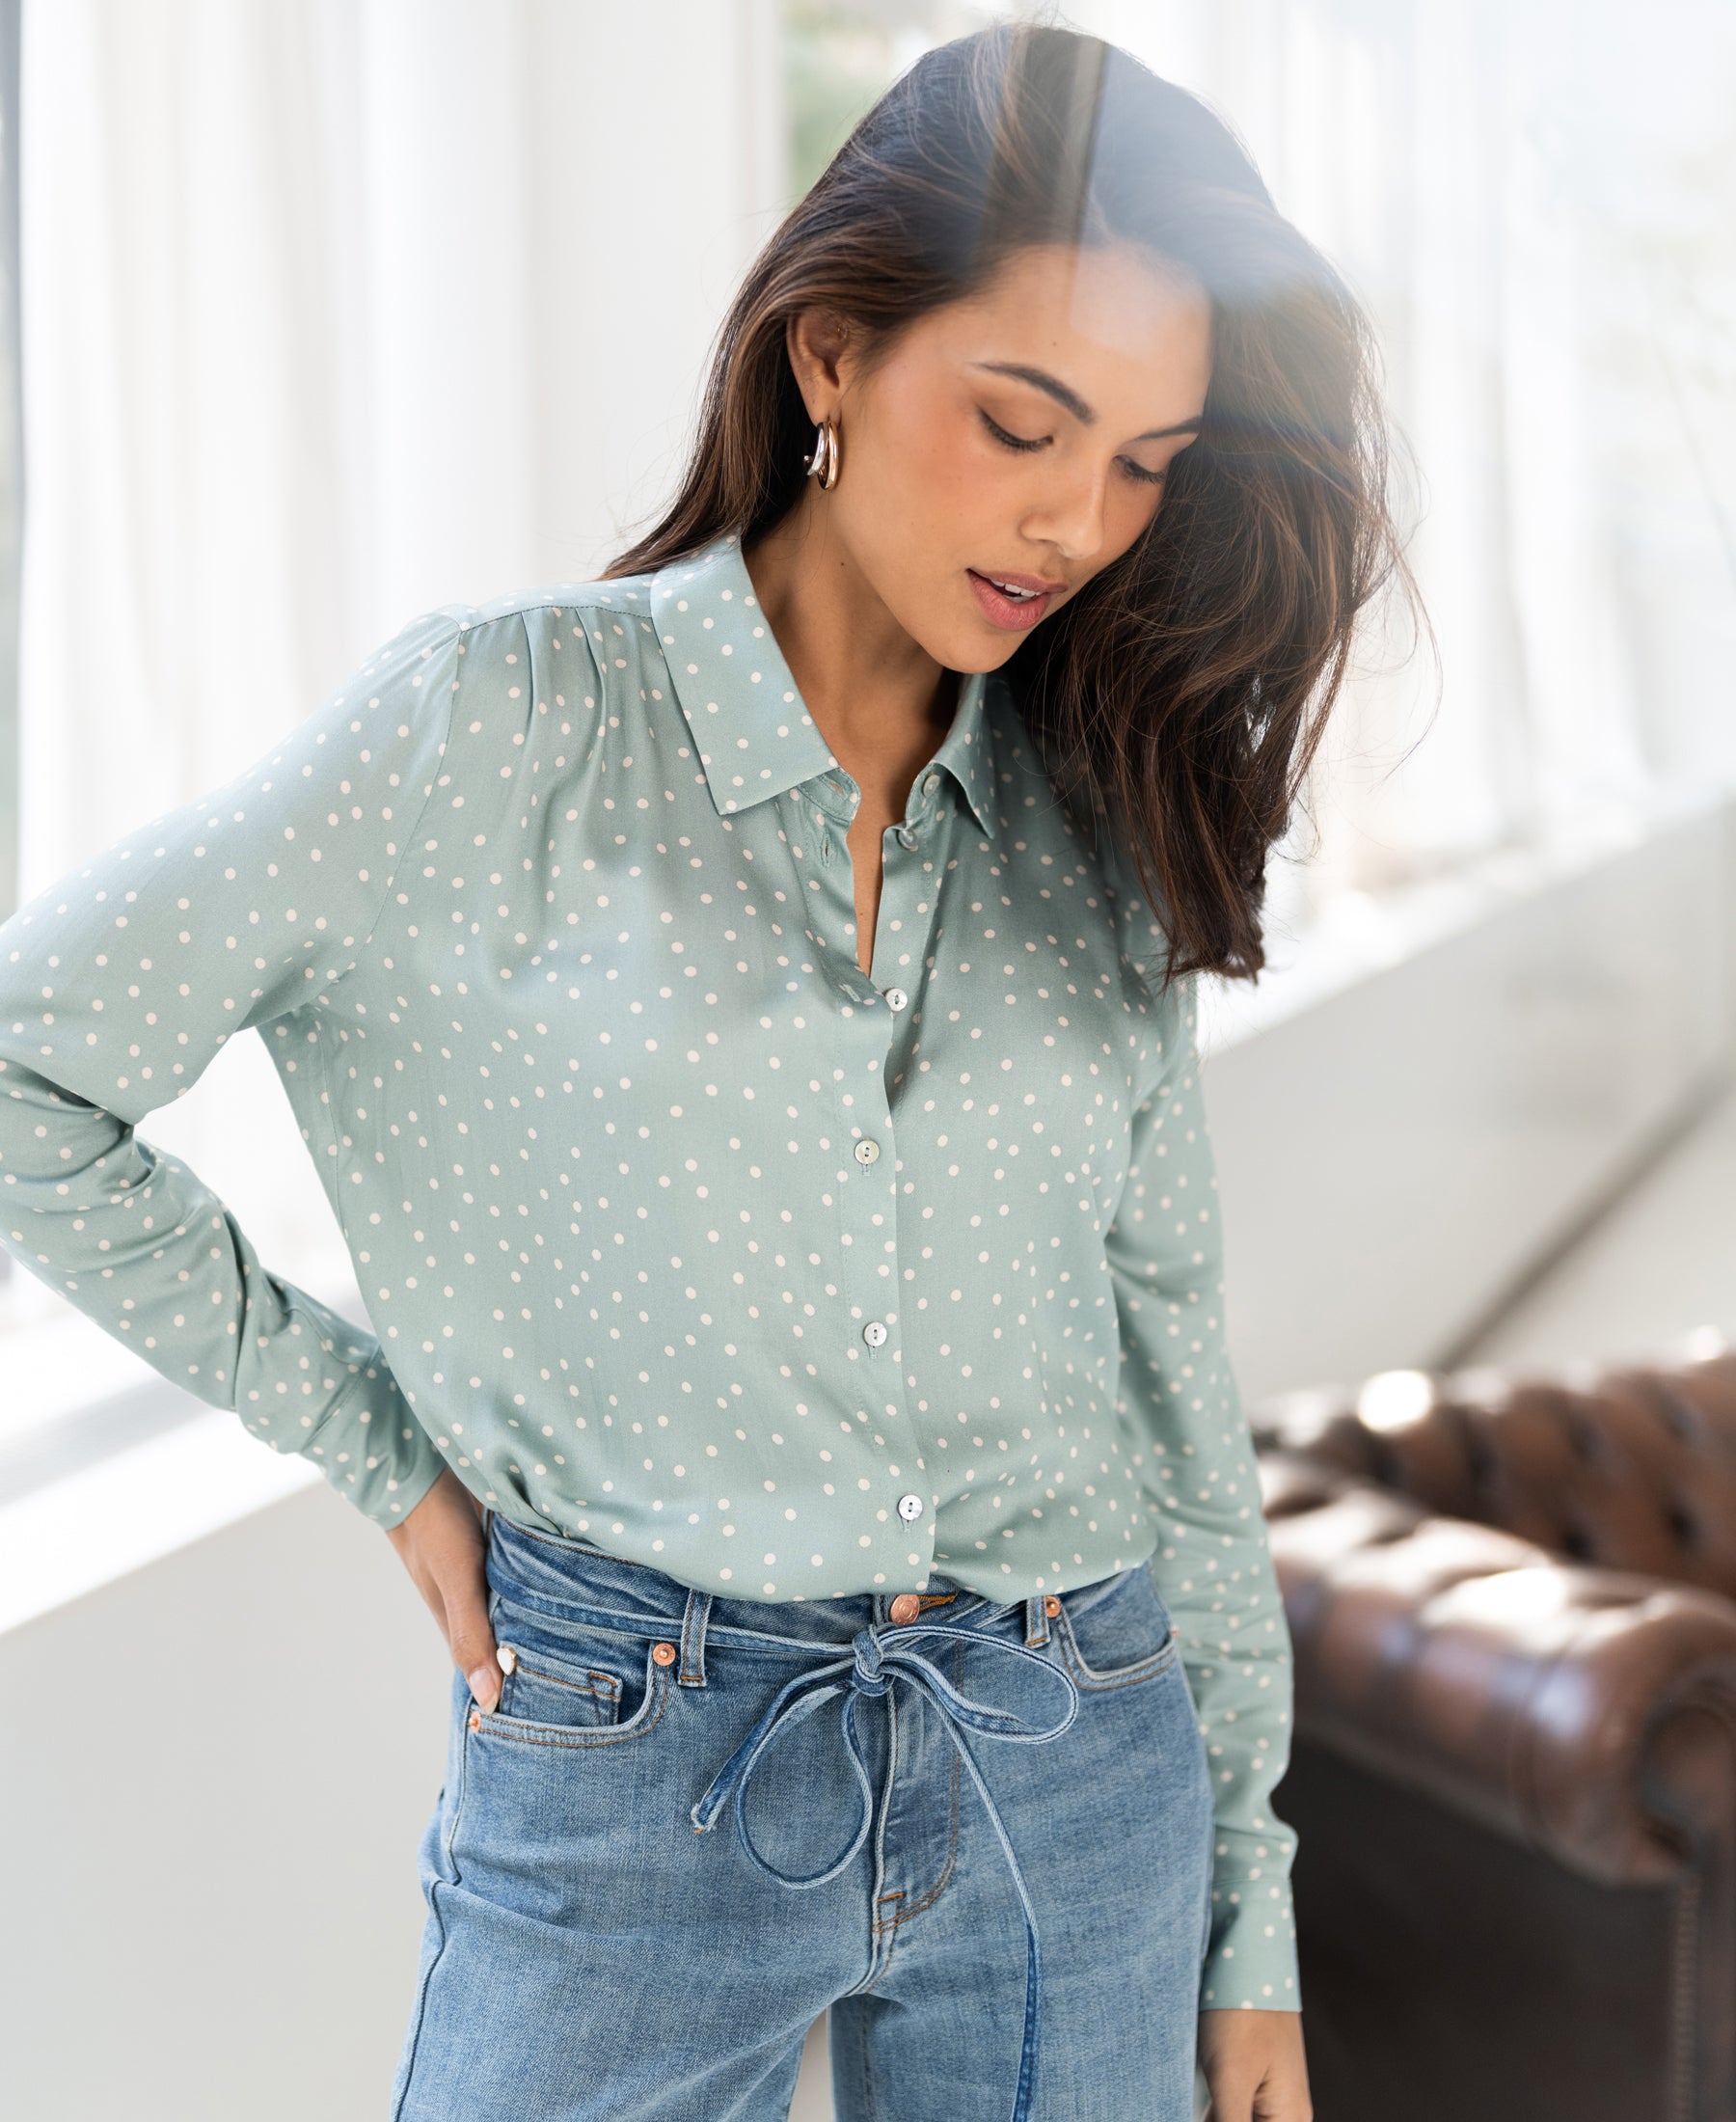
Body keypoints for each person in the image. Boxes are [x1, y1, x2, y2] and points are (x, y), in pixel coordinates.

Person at [0, 21, 1412, 2122]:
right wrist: (379, 1448)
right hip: (633, 1769)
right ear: (829, 353)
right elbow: (30, 1071)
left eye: (1144, 461)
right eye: (1023, 421)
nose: (1075, 519)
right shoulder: (491, 735)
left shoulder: (1097, 810)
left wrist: (1252, 1915)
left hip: (1076, 1757)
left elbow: (1173, 1392)